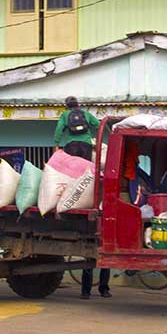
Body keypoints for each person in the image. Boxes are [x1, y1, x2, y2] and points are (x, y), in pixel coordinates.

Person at [53, 96, 109, 299]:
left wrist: (57, 144)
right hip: (85, 144)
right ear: (78, 105)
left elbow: (59, 129)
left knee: (71, 172)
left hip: (70, 144)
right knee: (86, 172)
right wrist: (97, 138)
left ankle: (86, 292)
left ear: (66, 105)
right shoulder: (85, 114)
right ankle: (104, 289)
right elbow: (96, 124)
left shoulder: (65, 115)